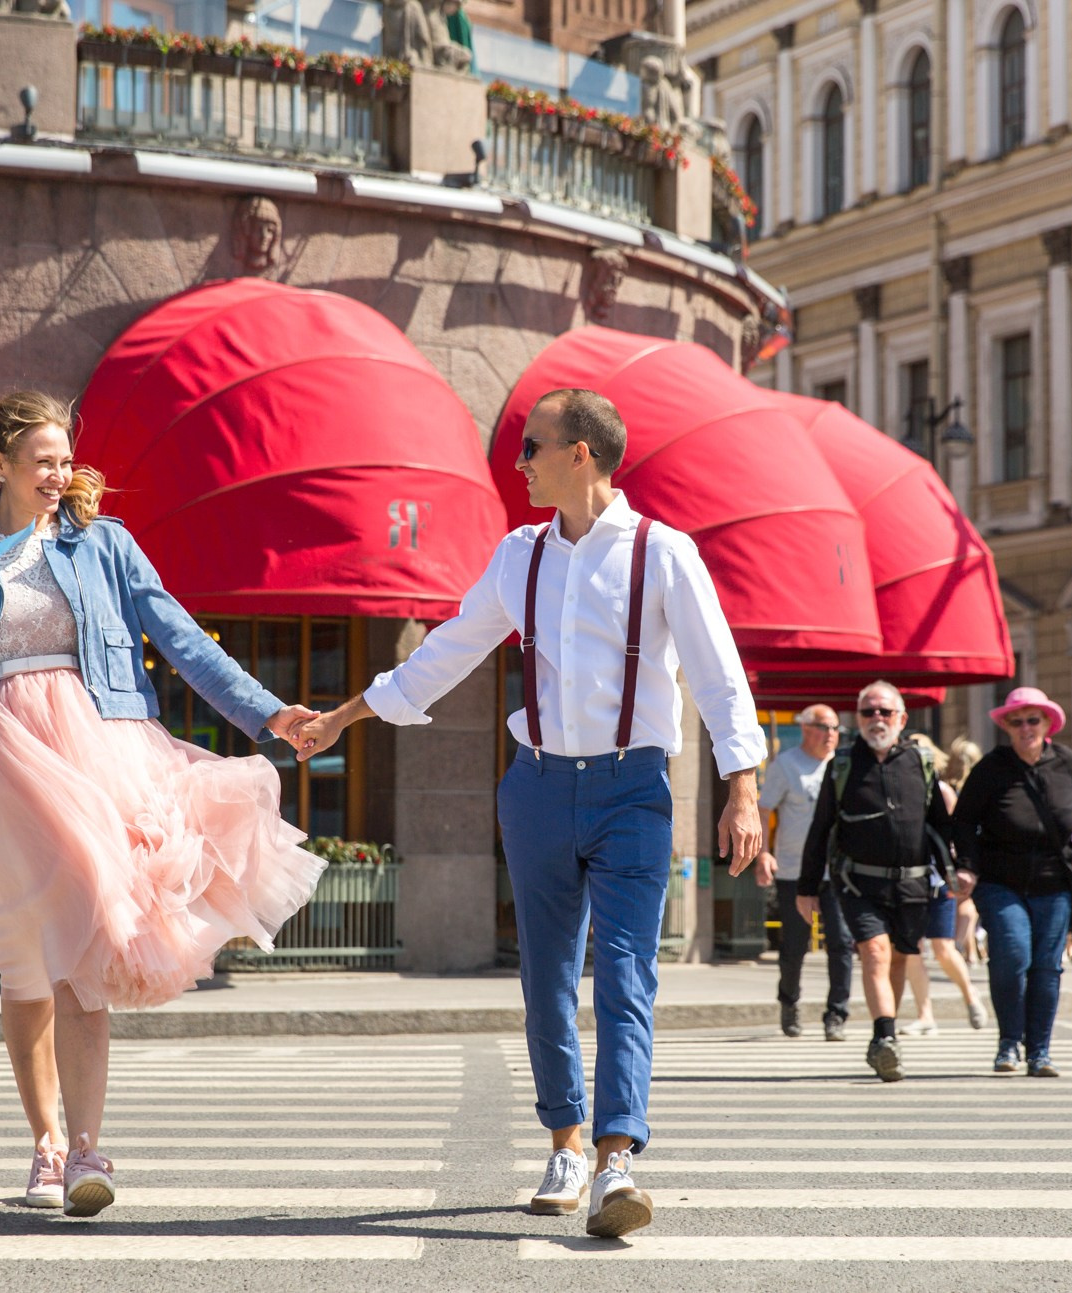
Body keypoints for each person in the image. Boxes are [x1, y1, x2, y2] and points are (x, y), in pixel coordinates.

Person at [295, 388, 765, 1239]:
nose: (520, 465)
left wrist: (742, 789)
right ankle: (567, 1142)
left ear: (580, 452)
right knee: (545, 977)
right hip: (539, 786)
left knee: (626, 972)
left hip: (634, 787)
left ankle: (618, 1159)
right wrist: (345, 715)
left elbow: (718, 672)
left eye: (533, 449)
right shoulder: (521, 557)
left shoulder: (663, 553)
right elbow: (446, 651)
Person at [0, 390, 325, 1217]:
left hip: (98, 746)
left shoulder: (105, 544)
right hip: (3, 758)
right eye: (42, 460)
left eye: (64, 459)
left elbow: (181, 636)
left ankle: (85, 1146)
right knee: (22, 956)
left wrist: (268, 712)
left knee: (90, 945)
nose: (59, 474)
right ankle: (43, 1143)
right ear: (0, 463)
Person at [797, 681, 952, 1083]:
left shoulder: (920, 761)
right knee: (876, 952)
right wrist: (807, 886)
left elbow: (941, 825)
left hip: (912, 884)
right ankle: (885, 1037)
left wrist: (959, 868)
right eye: (868, 712)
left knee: (900, 957)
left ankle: (884, 1036)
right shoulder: (843, 764)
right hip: (858, 883)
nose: (876, 719)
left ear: (901, 718)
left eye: (885, 712)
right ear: (858, 718)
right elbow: (820, 829)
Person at [948, 687, 1072, 1078]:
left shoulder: (1066, 764)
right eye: (1017, 721)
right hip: (1001, 882)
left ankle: (1040, 1052)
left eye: (1033, 720)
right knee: (1013, 957)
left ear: (1048, 723)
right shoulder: (991, 768)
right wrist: (966, 864)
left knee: (1047, 967)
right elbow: (963, 820)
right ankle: (1008, 1043)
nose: (1026, 727)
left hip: (1056, 880)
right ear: (1007, 726)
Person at [758, 705, 852, 1040]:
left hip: (838, 872)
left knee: (841, 943)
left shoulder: (842, 764)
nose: (830, 735)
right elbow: (764, 808)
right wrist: (763, 853)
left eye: (835, 728)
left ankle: (836, 1015)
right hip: (795, 871)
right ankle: (789, 1001)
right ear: (805, 729)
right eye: (824, 727)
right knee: (795, 946)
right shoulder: (786, 765)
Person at [898, 735, 986, 1036]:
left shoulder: (942, 791)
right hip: (909, 879)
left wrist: (958, 870)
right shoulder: (898, 787)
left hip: (937, 878)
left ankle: (970, 995)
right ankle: (925, 1016)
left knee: (943, 948)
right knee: (911, 949)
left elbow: (953, 834)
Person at [945, 737, 986, 964]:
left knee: (962, 899)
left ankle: (967, 950)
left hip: (954, 849)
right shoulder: (980, 785)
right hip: (975, 848)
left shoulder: (948, 786)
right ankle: (959, 946)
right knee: (967, 902)